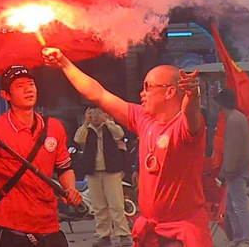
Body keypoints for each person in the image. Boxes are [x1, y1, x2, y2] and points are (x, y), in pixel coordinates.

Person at [43, 48, 212, 247]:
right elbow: (98, 94)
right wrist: (64, 63)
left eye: (148, 87)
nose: (142, 93)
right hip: (152, 232)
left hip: (182, 232)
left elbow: (190, 113)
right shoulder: (143, 118)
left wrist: (193, 95)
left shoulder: (184, 127)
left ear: (170, 92)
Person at [0, 65, 83, 247]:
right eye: (20, 86)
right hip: (11, 228)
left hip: (50, 226)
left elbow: (64, 168)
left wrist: (70, 190)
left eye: (31, 84)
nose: (28, 89)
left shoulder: (54, 128)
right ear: (6, 95)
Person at [74, 106, 132, 247]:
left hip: (111, 171)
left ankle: (123, 234)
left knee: (116, 204)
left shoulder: (109, 127)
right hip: (93, 171)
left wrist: (107, 121)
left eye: (98, 112)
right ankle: (103, 235)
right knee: (99, 206)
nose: (95, 116)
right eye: (92, 113)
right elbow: (78, 139)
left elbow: (119, 134)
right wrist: (86, 123)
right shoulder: (87, 130)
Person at [214, 87, 249, 246]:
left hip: (236, 170)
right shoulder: (237, 117)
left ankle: (247, 239)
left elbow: (233, 149)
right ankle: (238, 237)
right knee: (232, 205)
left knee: (239, 205)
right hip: (239, 168)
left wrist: (226, 171)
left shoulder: (233, 119)